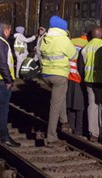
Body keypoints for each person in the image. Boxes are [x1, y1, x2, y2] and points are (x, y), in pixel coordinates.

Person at [40, 16, 77, 146]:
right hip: (59, 75)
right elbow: (74, 55)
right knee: (54, 106)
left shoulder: (45, 38)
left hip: (46, 75)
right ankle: (51, 137)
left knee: (60, 97)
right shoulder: (64, 40)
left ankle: (64, 122)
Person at [79, 26, 102, 143]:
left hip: (89, 82)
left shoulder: (85, 48)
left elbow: (81, 67)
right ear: (101, 34)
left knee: (92, 106)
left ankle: (93, 133)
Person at [66, 32, 88, 136]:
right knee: (80, 106)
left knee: (70, 104)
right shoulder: (88, 44)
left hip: (69, 76)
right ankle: (78, 130)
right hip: (80, 78)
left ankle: (70, 126)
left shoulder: (72, 41)